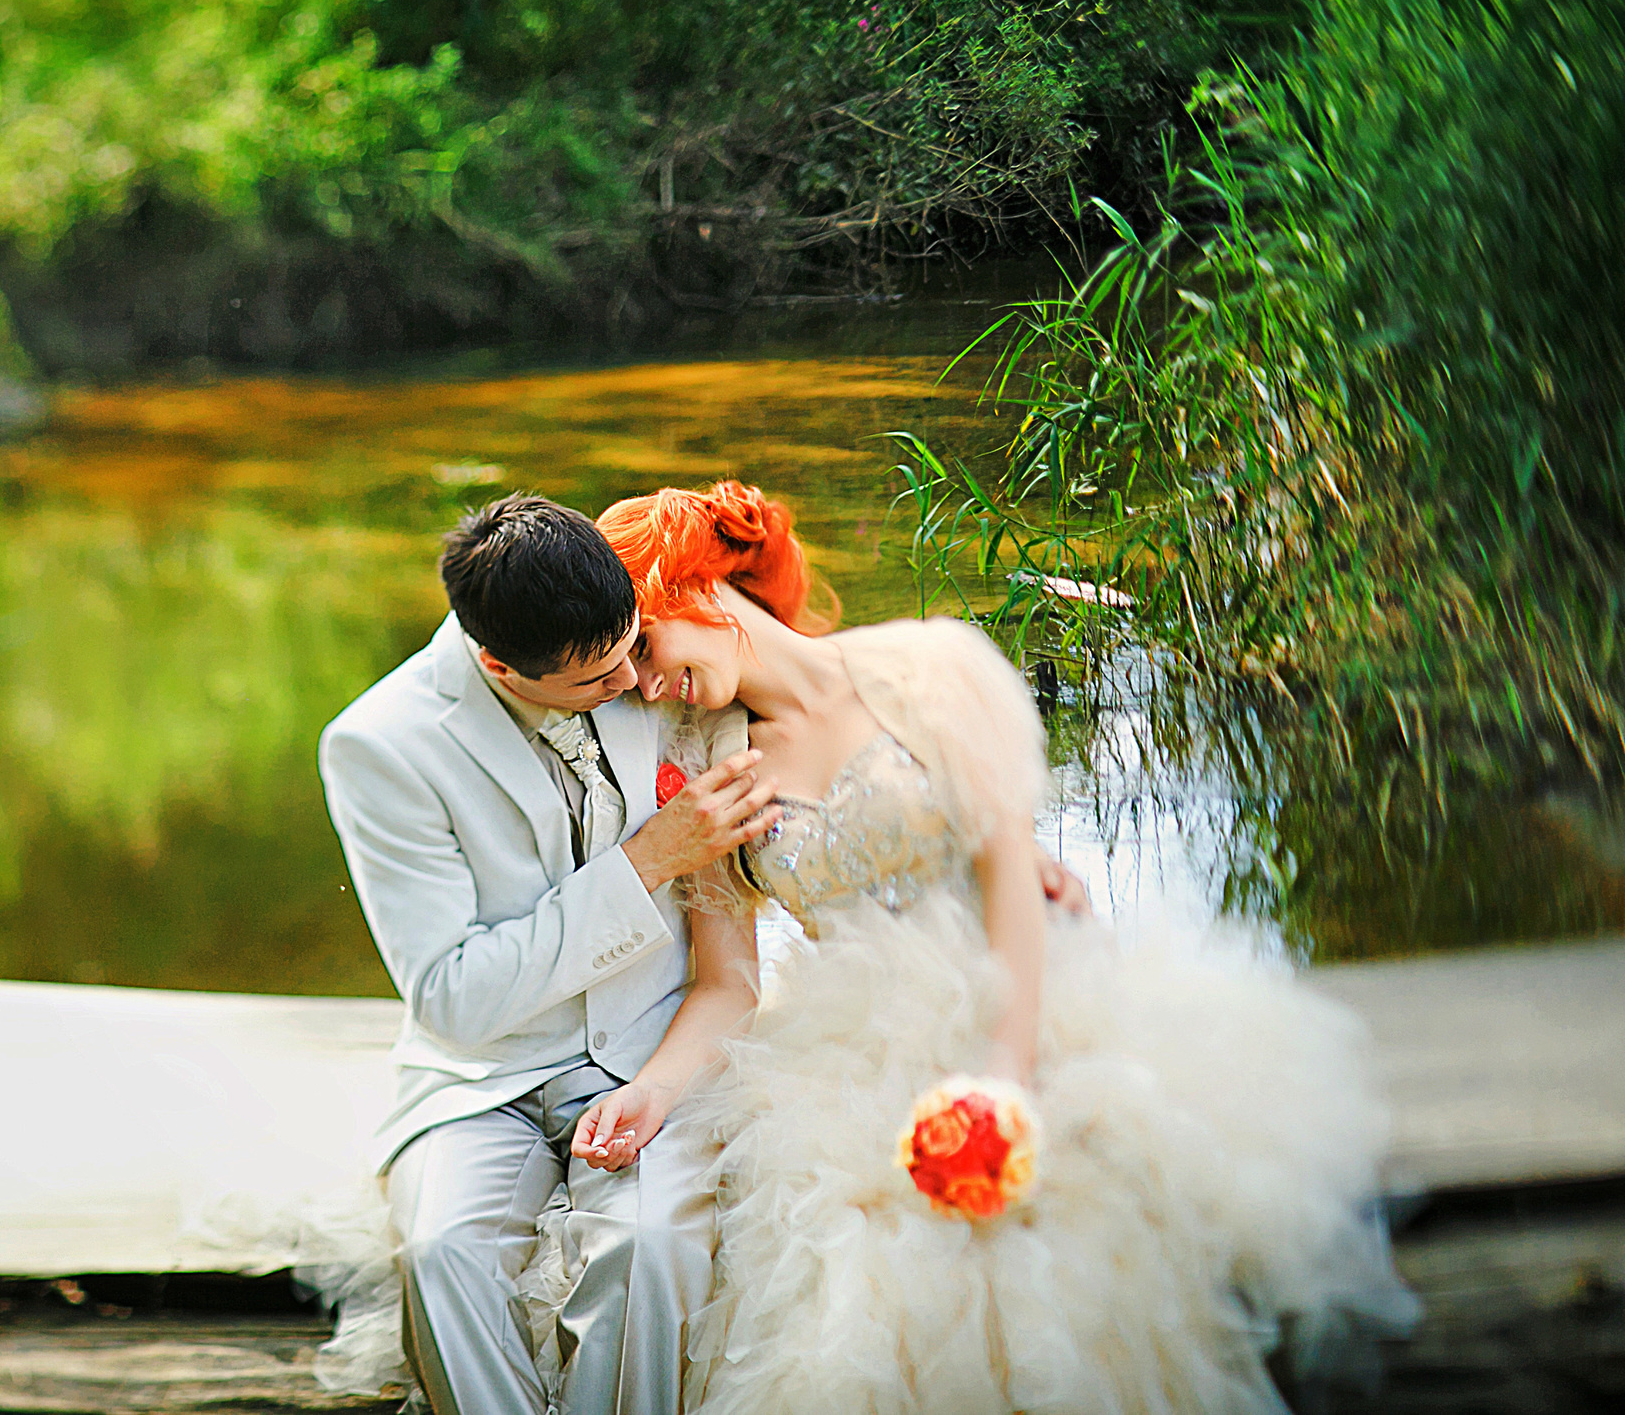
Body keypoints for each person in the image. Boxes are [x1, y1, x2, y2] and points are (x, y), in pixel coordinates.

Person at [586, 480, 1416, 1415]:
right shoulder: (701, 765)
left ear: (692, 585)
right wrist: (652, 1089)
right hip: (842, 1050)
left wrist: (1004, 1075)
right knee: (851, 1280)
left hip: (1018, 993)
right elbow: (730, 979)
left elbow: (1011, 874)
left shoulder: (927, 666)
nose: (648, 688)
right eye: (626, 675)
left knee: (1078, 1232)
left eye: (645, 649)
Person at [318, 493, 1091, 1415]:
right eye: (607, 673)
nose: (632, 688)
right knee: (443, 1252)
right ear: (501, 664)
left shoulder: (748, 673)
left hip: (900, 1002)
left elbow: (665, 546)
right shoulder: (401, 744)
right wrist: (649, 863)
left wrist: (983, 830)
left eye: (635, 646)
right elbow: (468, 993)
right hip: (508, 1065)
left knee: (661, 1246)